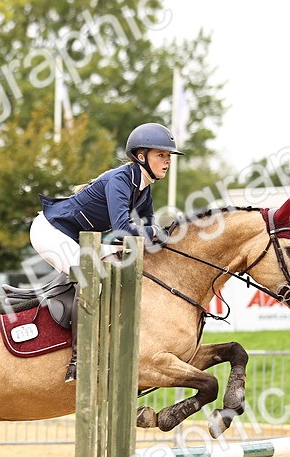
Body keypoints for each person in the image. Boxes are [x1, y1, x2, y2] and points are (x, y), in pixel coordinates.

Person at [29, 122, 184, 381]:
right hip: (51, 231)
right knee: (91, 279)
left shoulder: (144, 189)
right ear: (141, 156)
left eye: (168, 156)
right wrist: (155, 233)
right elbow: (123, 229)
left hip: (83, 238)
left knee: (118, 266)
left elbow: (148, 228)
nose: (167, 161)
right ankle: (79, 361)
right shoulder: (120, 180)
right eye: (161, 155)